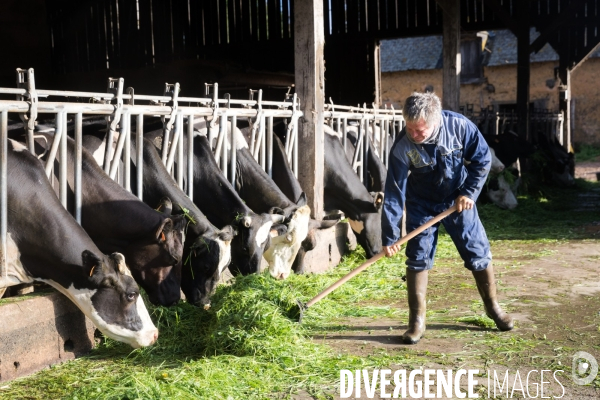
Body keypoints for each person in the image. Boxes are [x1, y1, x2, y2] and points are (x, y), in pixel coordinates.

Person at [381, 92, 513, 344]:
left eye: (420, 130)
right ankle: (416, 322)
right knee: (417, 256)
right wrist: (389, 236)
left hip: (457, 201)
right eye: (409, 128)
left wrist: (469, 192)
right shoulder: (402, 146)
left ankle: (493, 308)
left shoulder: (460, 126)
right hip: (421, 204)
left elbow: (482, 159)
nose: (414, 134)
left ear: (436, 120)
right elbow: (394, 193)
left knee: (477, 251)